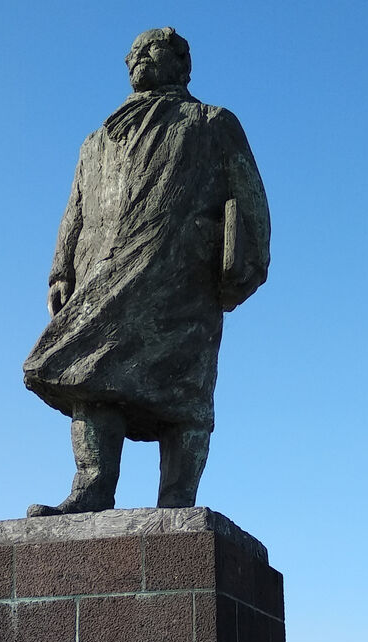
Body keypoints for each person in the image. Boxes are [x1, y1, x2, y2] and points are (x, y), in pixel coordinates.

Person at [23, 27, 270, 515]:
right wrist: (59, 271)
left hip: (180, 277)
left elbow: (251, 201)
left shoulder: (211, 122)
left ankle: (177, 499)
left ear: (181, 61)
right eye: (132, 52)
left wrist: (245, 263)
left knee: (185, 388)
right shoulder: (98, 139)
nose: (137, 57)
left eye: (150, 49)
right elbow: (75, 207)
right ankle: (92, 487)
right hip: (104, 273)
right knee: (88, 372)